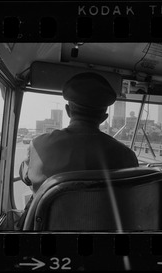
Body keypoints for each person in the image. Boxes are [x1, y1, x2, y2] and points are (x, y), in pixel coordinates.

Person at [17, 72, 139, 229]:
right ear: (104, 117)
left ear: (68, 111)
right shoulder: (127, 156)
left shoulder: (39, 145)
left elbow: (26, 178)